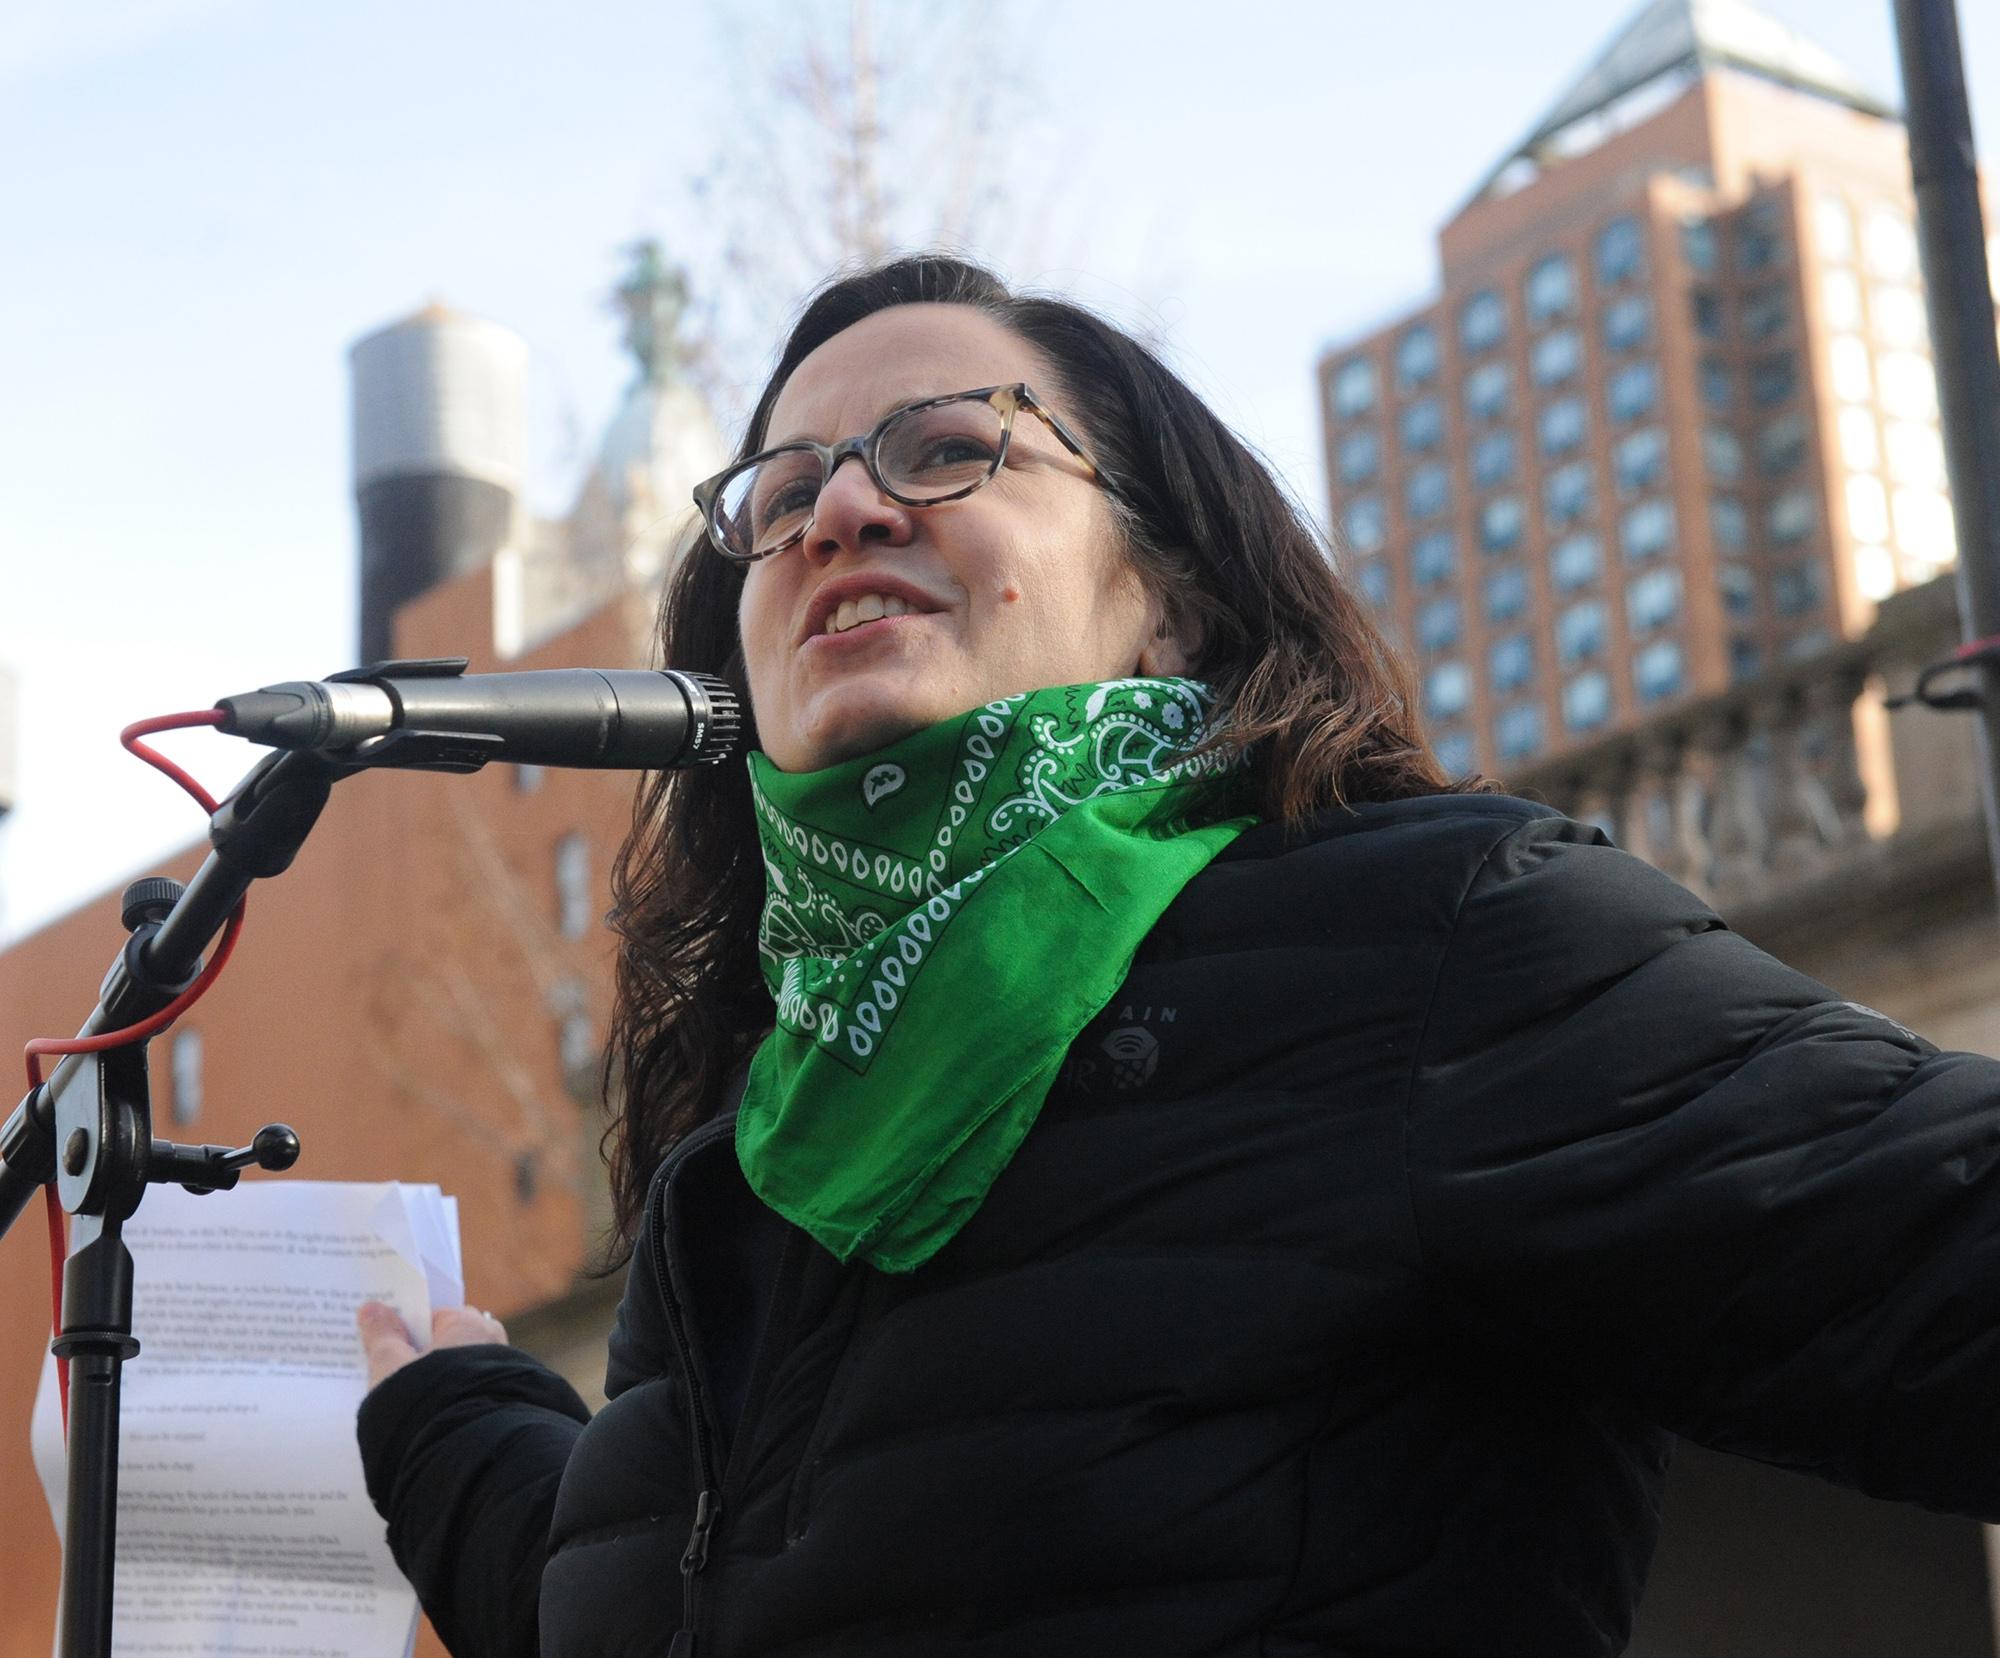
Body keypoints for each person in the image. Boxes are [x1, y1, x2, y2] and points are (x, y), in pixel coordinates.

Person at [353, 254, 2000, 1658]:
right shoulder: (749, 1161)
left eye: (947, 451)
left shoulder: (1426, 941)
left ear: (1173, 604)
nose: (839, 508)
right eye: (781, 498)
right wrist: (454, 1435)